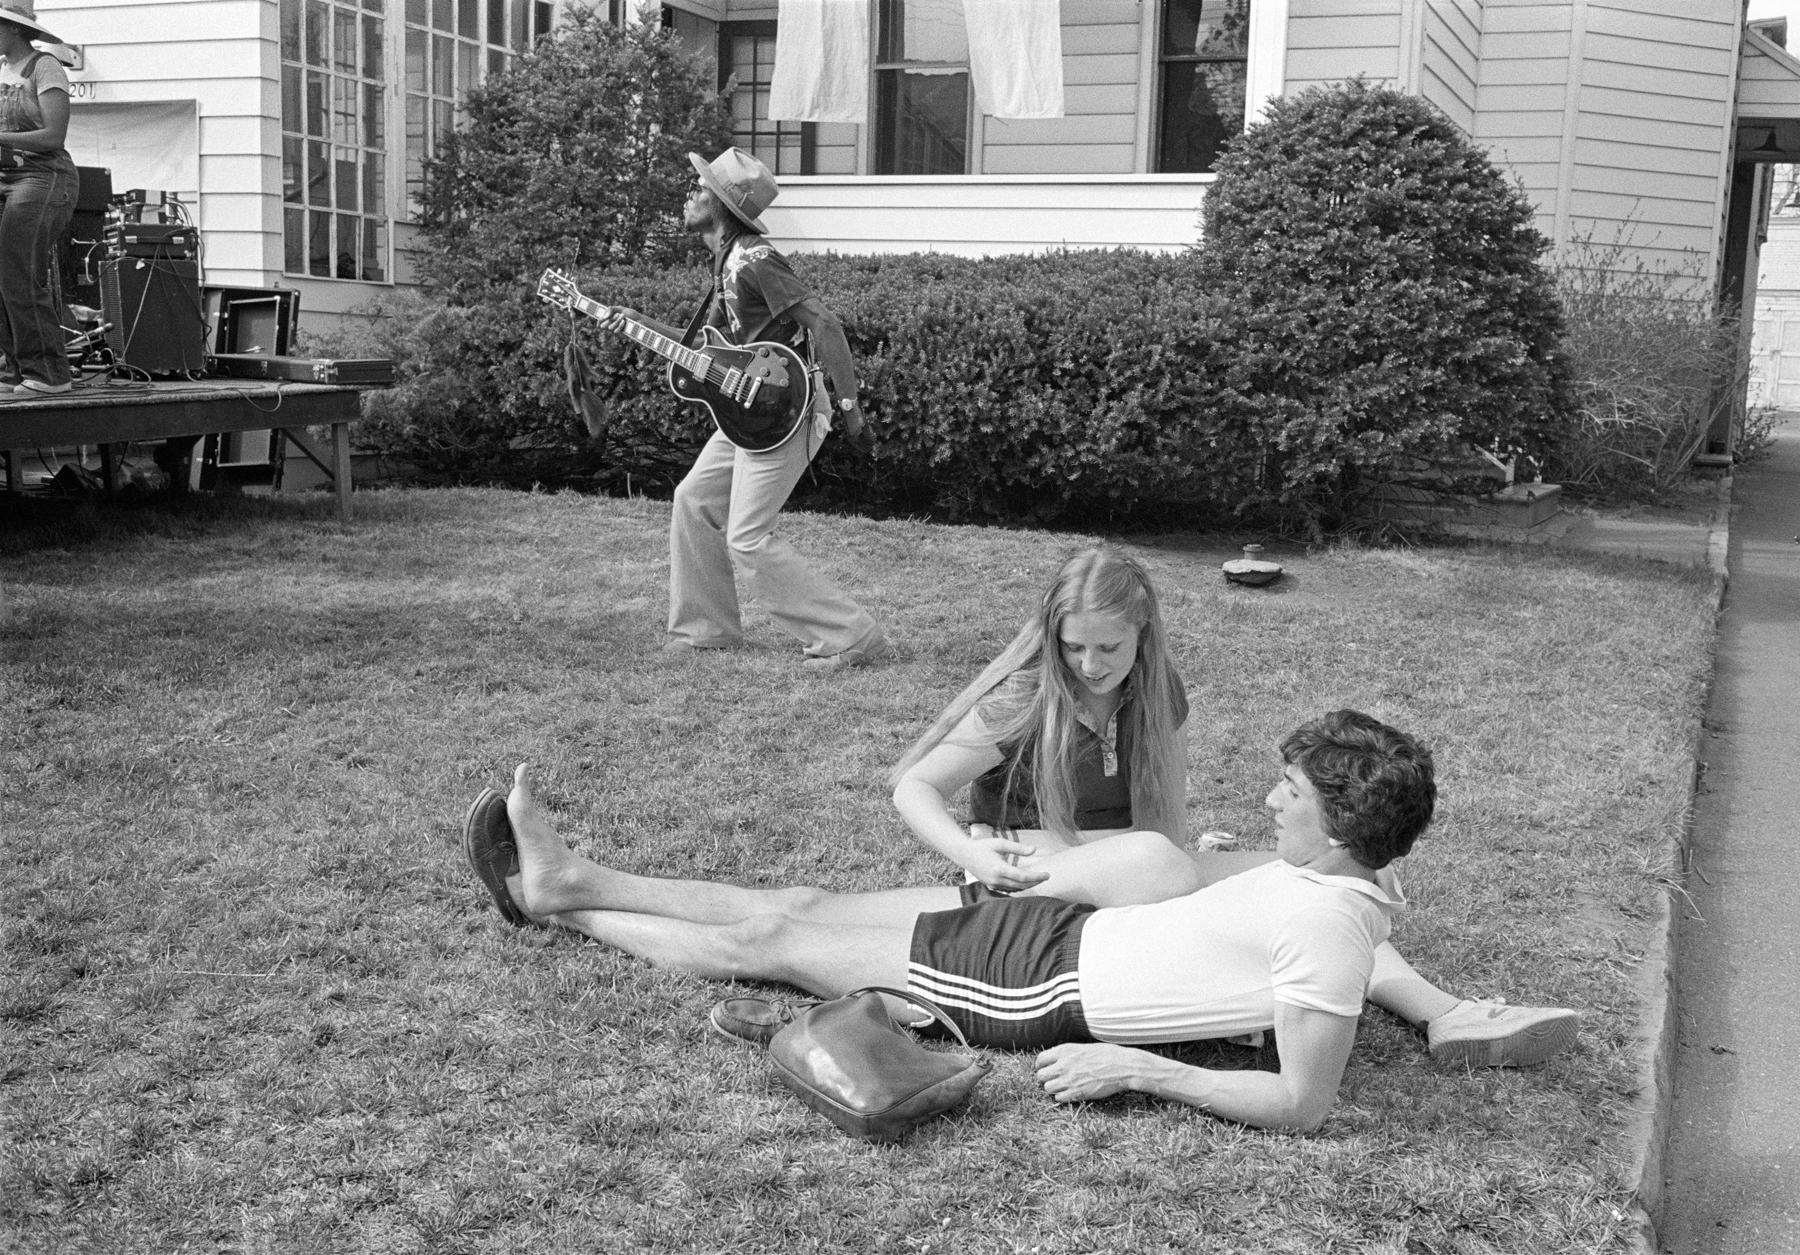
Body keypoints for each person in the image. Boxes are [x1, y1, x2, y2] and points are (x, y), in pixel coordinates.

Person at [467, 712, 1483, 1132]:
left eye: (1289, 793)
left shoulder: (1330, 926)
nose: (1269, 801)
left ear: (1339, 824)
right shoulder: (1332, 878)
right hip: (1055, 933)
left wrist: (1138, 1068)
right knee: (803, 911)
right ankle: (574, 880)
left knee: (773, 943)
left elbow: (1303, 1102)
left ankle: (562, 898)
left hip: (1030, 986)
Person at [889, 546, 1579, 1066]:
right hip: (1029, 857)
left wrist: (1193, 874)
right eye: (1073, 647)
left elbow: (1161, 818)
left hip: (1130, 856)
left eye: (1109, 647)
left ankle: (1445, 1013)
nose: (1091, 664)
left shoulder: (1158, 692)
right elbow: (914, 787)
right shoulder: (1025, 696)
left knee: (1328, 877)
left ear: (1143, 634)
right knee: (1165, 863)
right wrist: (974, 852)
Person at [603, 147, 885, 674]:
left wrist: (851, 411)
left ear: (722, 205)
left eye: (699, 188)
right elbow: (706, 347)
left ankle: (849, 636)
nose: (689, 194)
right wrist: (637, 321)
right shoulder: (726, 263)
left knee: (748, 537)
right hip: (747, 409)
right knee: (693, 500)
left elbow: (825, 324)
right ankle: (705, 631)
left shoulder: (755, 259)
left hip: (789, 411)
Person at [0, 0, 76, 396]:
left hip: (44, 176)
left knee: (17, 268)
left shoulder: (44, 67)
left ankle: (49, 374)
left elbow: (53, 137)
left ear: (13, 28)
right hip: (6, 175)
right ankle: (14, 368)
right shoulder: (1, 69)